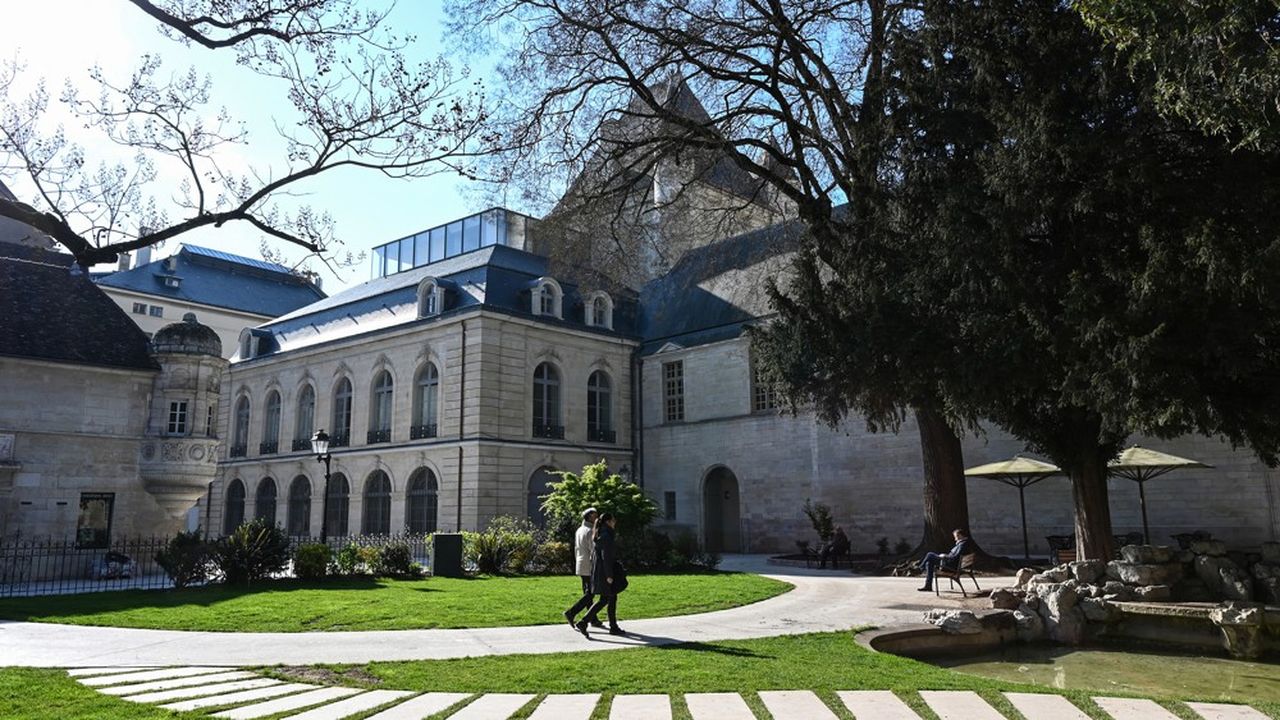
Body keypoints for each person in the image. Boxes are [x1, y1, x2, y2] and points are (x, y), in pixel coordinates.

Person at [576, 511, 625, 637]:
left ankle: (586, 622)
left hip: (600, 570)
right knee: (609, 598)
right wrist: (609, 575)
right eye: (613, 520)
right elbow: (606, 557)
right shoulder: (606, 536)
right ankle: (610, 626)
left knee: (605, 599)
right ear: (608, 522)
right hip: (605, 572)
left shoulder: (600, 533)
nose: (615, 523)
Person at [563, 507, 604, 629]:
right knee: (590, 594)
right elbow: (593, 550)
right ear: (590, 516)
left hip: (581, 564)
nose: (597, 517)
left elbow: (577, 548)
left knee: (588, 593)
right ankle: (571, 612)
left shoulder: (580, 530)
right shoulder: (590, 530)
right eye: (595, 515)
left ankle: (593, 619)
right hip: (590, 565)